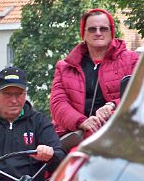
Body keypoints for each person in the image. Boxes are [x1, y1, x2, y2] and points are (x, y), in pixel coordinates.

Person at [51, 8, 139, 142]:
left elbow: (141, 94)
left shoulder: (131, 60)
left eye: (103, 29)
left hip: (119, 133)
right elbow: (58, 104)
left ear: (111, 32)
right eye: (92, 29)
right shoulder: (64, 67)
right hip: (75, 134)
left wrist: (112, 105)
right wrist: (81, 121)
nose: (98, 33)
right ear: (84, 34)